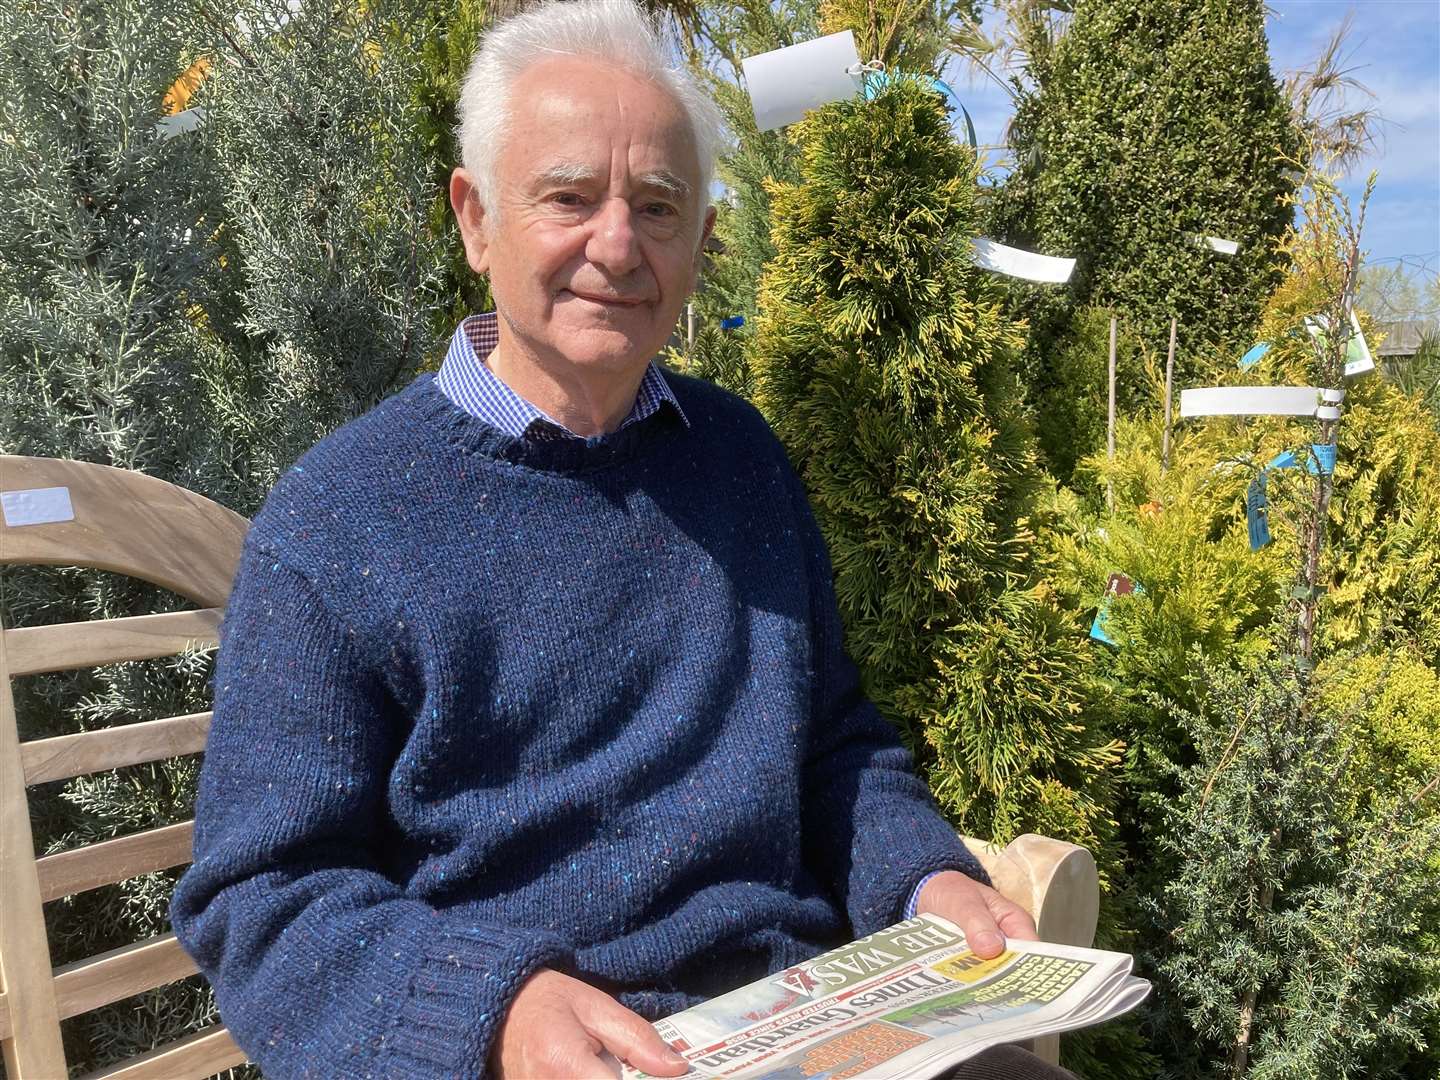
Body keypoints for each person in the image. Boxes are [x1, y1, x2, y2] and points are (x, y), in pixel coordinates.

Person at [170, 3, 1077, 1077]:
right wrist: (491, 1012)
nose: (618, 244)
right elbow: (259, 901)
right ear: (475, 217)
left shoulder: (740, 461)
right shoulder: (338, 522)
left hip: (806, 1025)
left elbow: (834, 745)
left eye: (658, 205)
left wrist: (925, 878)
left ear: (699, 241)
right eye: (569, 197)